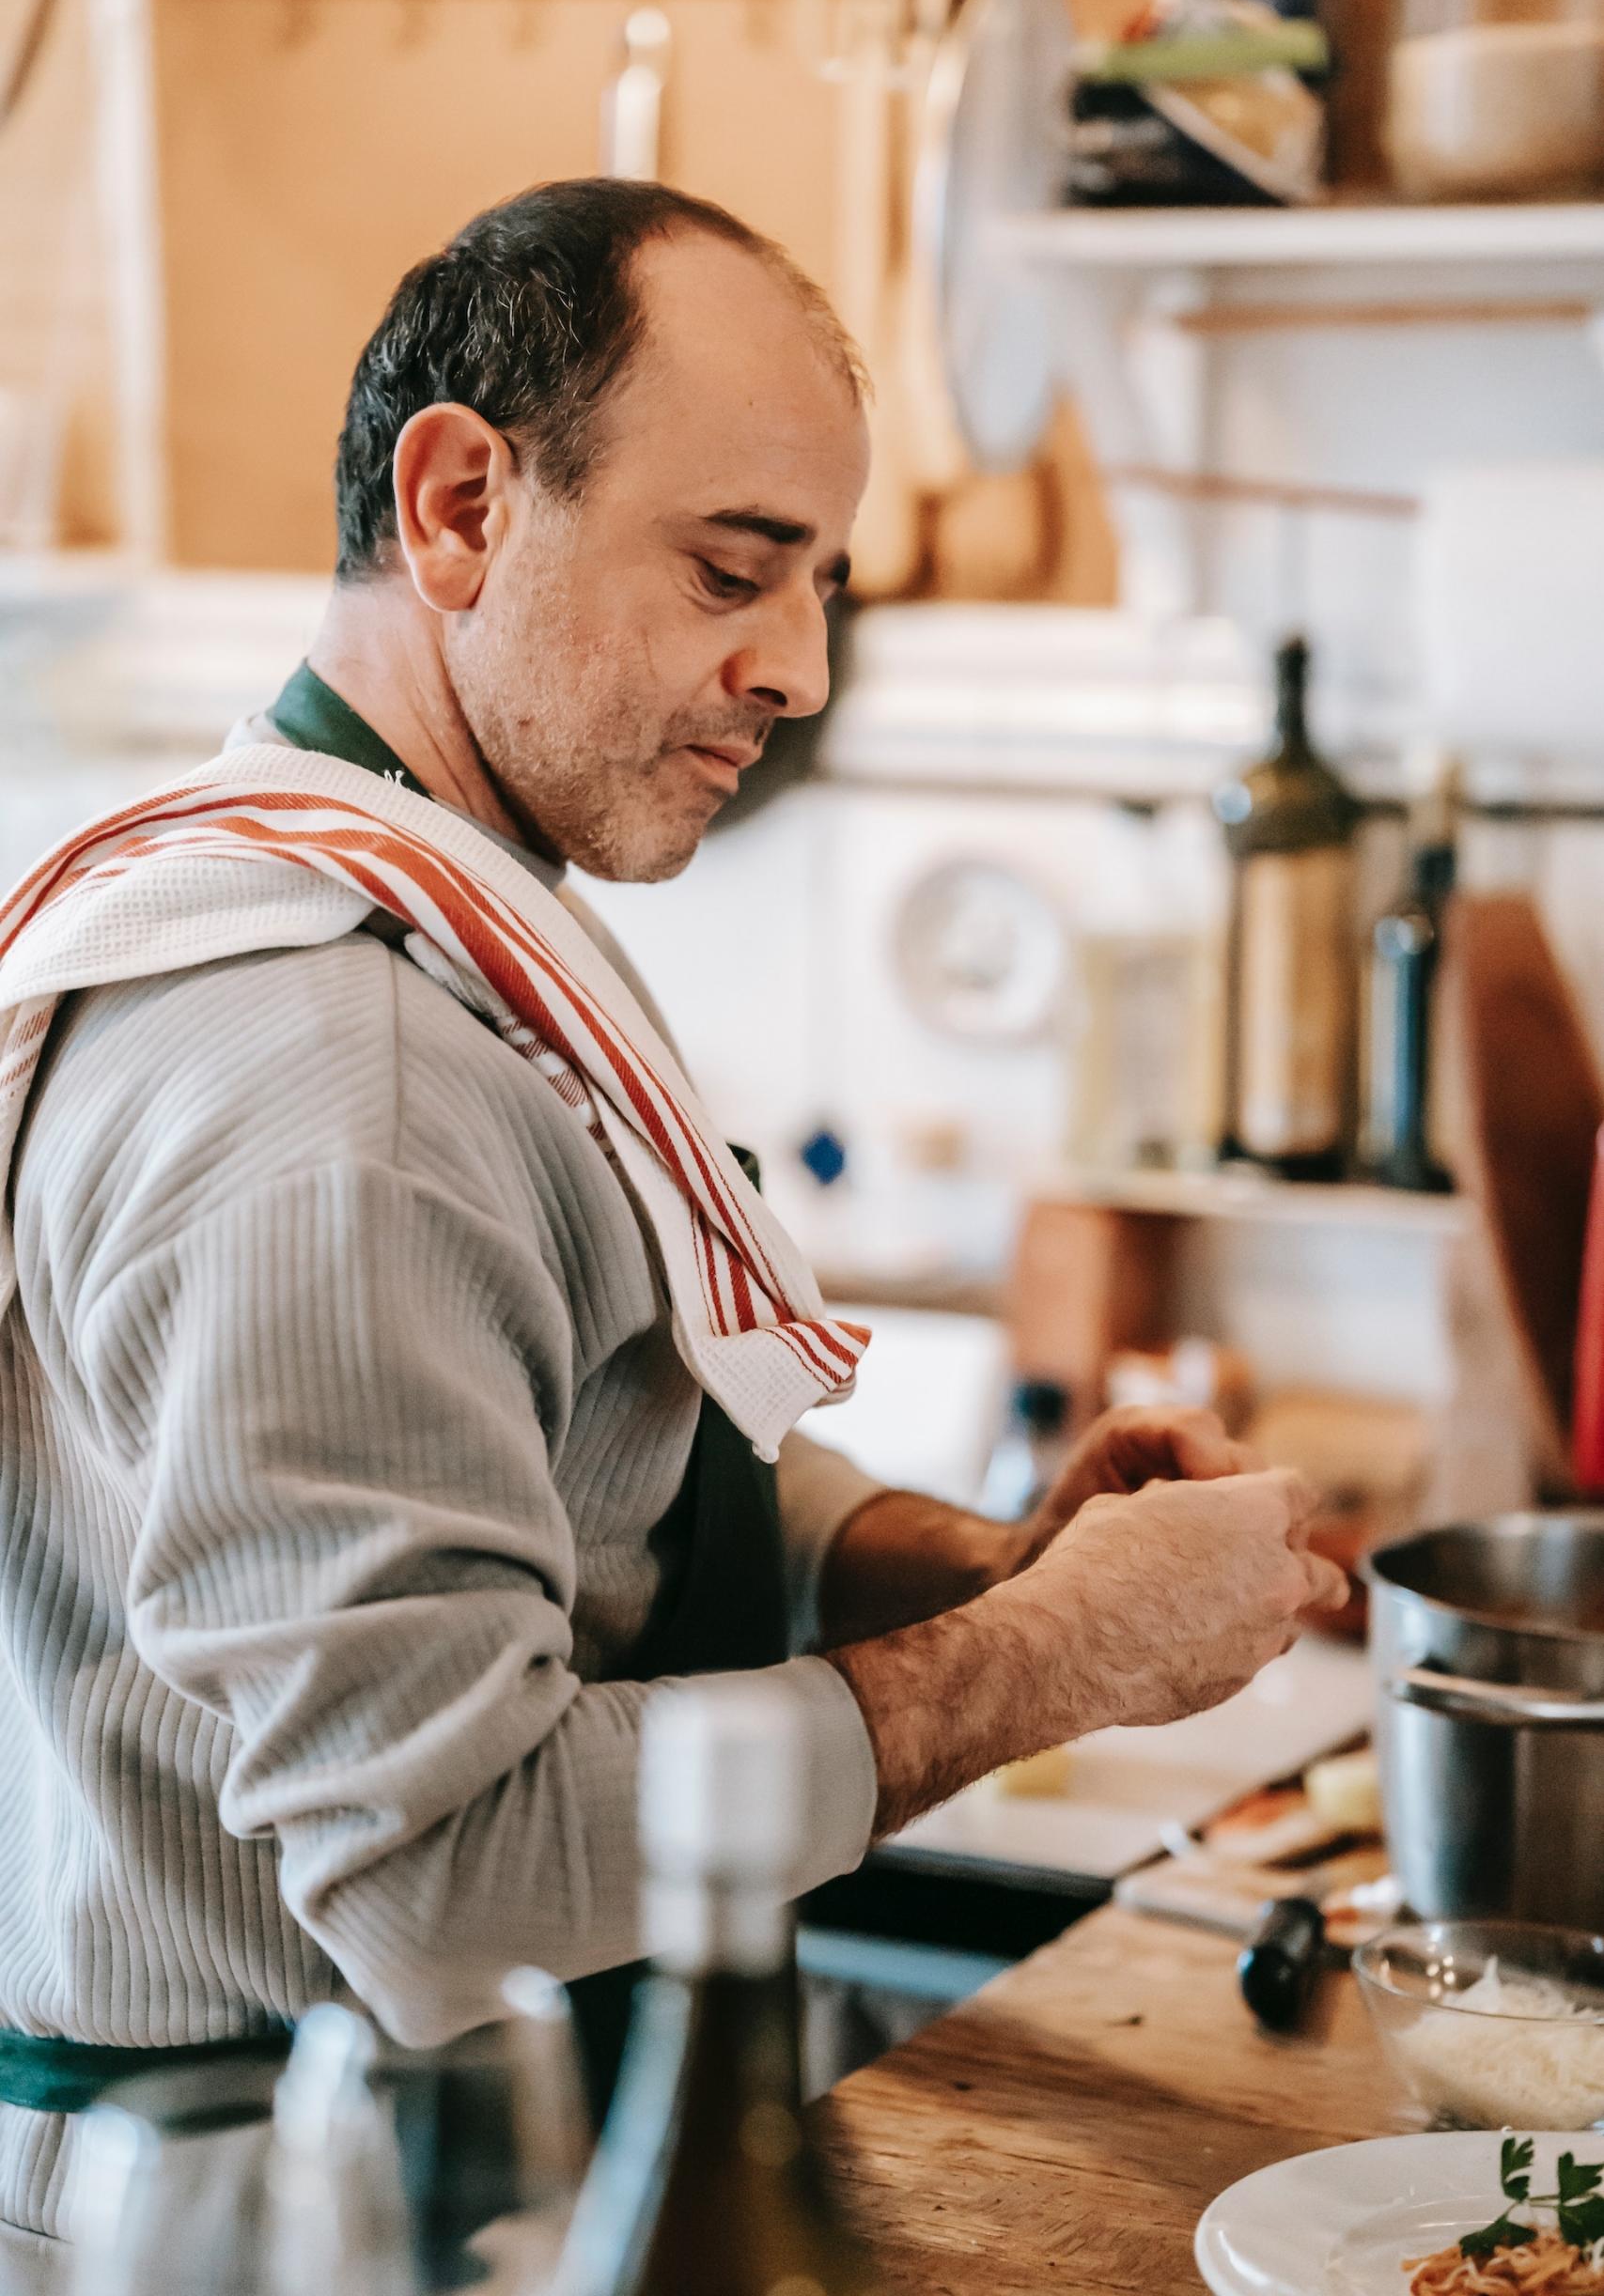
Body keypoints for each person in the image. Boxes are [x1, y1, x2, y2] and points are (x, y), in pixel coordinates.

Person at [0, 178, 1346, 2282]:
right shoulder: (336, 1076)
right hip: (305, 2216)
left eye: (818, 583)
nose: (795, 665)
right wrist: (1043, 1656)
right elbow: (446, 1872)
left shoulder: (424, 917)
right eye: (734, 567)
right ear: (459, 506)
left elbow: (584, 1451)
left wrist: (971, 1556)